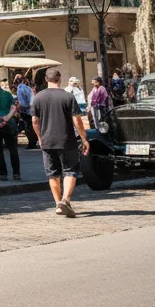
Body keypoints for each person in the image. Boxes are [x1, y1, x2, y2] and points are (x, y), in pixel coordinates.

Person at [33, 67, 90, 217]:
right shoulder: (68, 96)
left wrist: (40, 137)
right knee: (70, 170)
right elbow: (77, 119)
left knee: (53, 174)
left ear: (46, 80)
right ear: (60, 79)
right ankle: (65, 199)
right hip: (66, 139)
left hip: (47, 141)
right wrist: (84, 138)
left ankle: (58, 204)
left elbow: (35, 121)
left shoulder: (38, 97)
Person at [15, 73, 39, 149]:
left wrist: (19, 108)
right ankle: (33, 142)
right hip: (31, 110)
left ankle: (31, 144)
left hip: (26, 111)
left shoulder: (20, 88)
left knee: (28, 128)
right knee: (31, 127)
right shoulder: (27, 88)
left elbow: (22, 103)